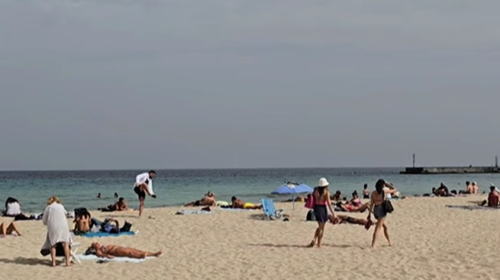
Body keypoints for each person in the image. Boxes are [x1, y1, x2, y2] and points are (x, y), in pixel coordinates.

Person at [41, 196, 72, 267]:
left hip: (53, 226)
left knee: (53, 244)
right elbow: (65, 214)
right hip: (63, 226)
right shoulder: (61, 206)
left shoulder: (48, 208)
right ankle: (67, 262)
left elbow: (44, 220)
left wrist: (48, 223)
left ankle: (53, 262)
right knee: (65, 243)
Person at [368, 179, 397, 249]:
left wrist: (369, 214)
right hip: (381, 210)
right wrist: (388, 184)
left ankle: (389, 241)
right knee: (378, 228)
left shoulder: (373, 193)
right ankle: (373, 244)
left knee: (385, 227)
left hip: (376, 210)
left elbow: (371, 204)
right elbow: (394, 190)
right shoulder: (384, 191)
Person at [308, 178, 336, 248]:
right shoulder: (326, 192)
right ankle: (319, 244)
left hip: (316, 208)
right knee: (322, 228)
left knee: (319, 226)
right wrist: (333, 213)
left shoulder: (315, 191)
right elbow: (329, 204)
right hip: (322, 209)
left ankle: (314, 239)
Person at [89, 242, 162, 259]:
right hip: (116, 251)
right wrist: (108, 256)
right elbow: (101, 255)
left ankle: (154, 254)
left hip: (119, 247)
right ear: (94, 247)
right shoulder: (98, 251)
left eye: (97, 242)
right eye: (96, 244)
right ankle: (140, 256)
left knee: (138, 250)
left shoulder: (102, 246)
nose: (97, 243)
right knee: (129, 253)